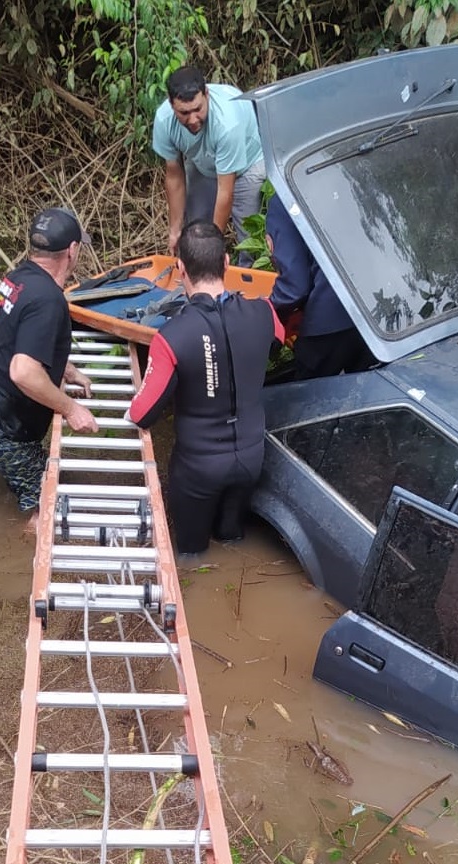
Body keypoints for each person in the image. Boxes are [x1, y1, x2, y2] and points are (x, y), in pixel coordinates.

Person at [126, 221, 285, 558]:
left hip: (199, 468)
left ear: (180, 267)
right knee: (233, 543)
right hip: (252, 457)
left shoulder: (172, 337)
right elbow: (277, 345)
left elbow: (143, 414)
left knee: (191, 555)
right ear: (227, 262)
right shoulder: (264, 311)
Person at [0, 207, 98, 530]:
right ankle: (22, 554)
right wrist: (71, 409)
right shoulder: (48, 299)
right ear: (72, 251)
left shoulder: (19, 278)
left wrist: (66, 369)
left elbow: (18, 339)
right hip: (2, 426)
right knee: (49, 500)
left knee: (45, 482)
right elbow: (23, 371)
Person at [152, 65, 265, 260]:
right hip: (203, 161)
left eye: (198, 109)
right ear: (171, 104)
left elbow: (225, 191)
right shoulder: (164, 120)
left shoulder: (227, 123)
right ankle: (197, 274)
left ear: (206, 95)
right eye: (184, 113)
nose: (193, 119)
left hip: (247, 163)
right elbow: (174, 176)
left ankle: (243, 277)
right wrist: (174, 230)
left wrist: (214, 244)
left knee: (248, 240)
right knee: (195, 233)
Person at [264, 193, 377, 379]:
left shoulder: (285, 199)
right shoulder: (346, 174)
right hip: (375, 308)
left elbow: (294, 287)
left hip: (329, 317)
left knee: (307, 397)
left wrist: (267, 311)